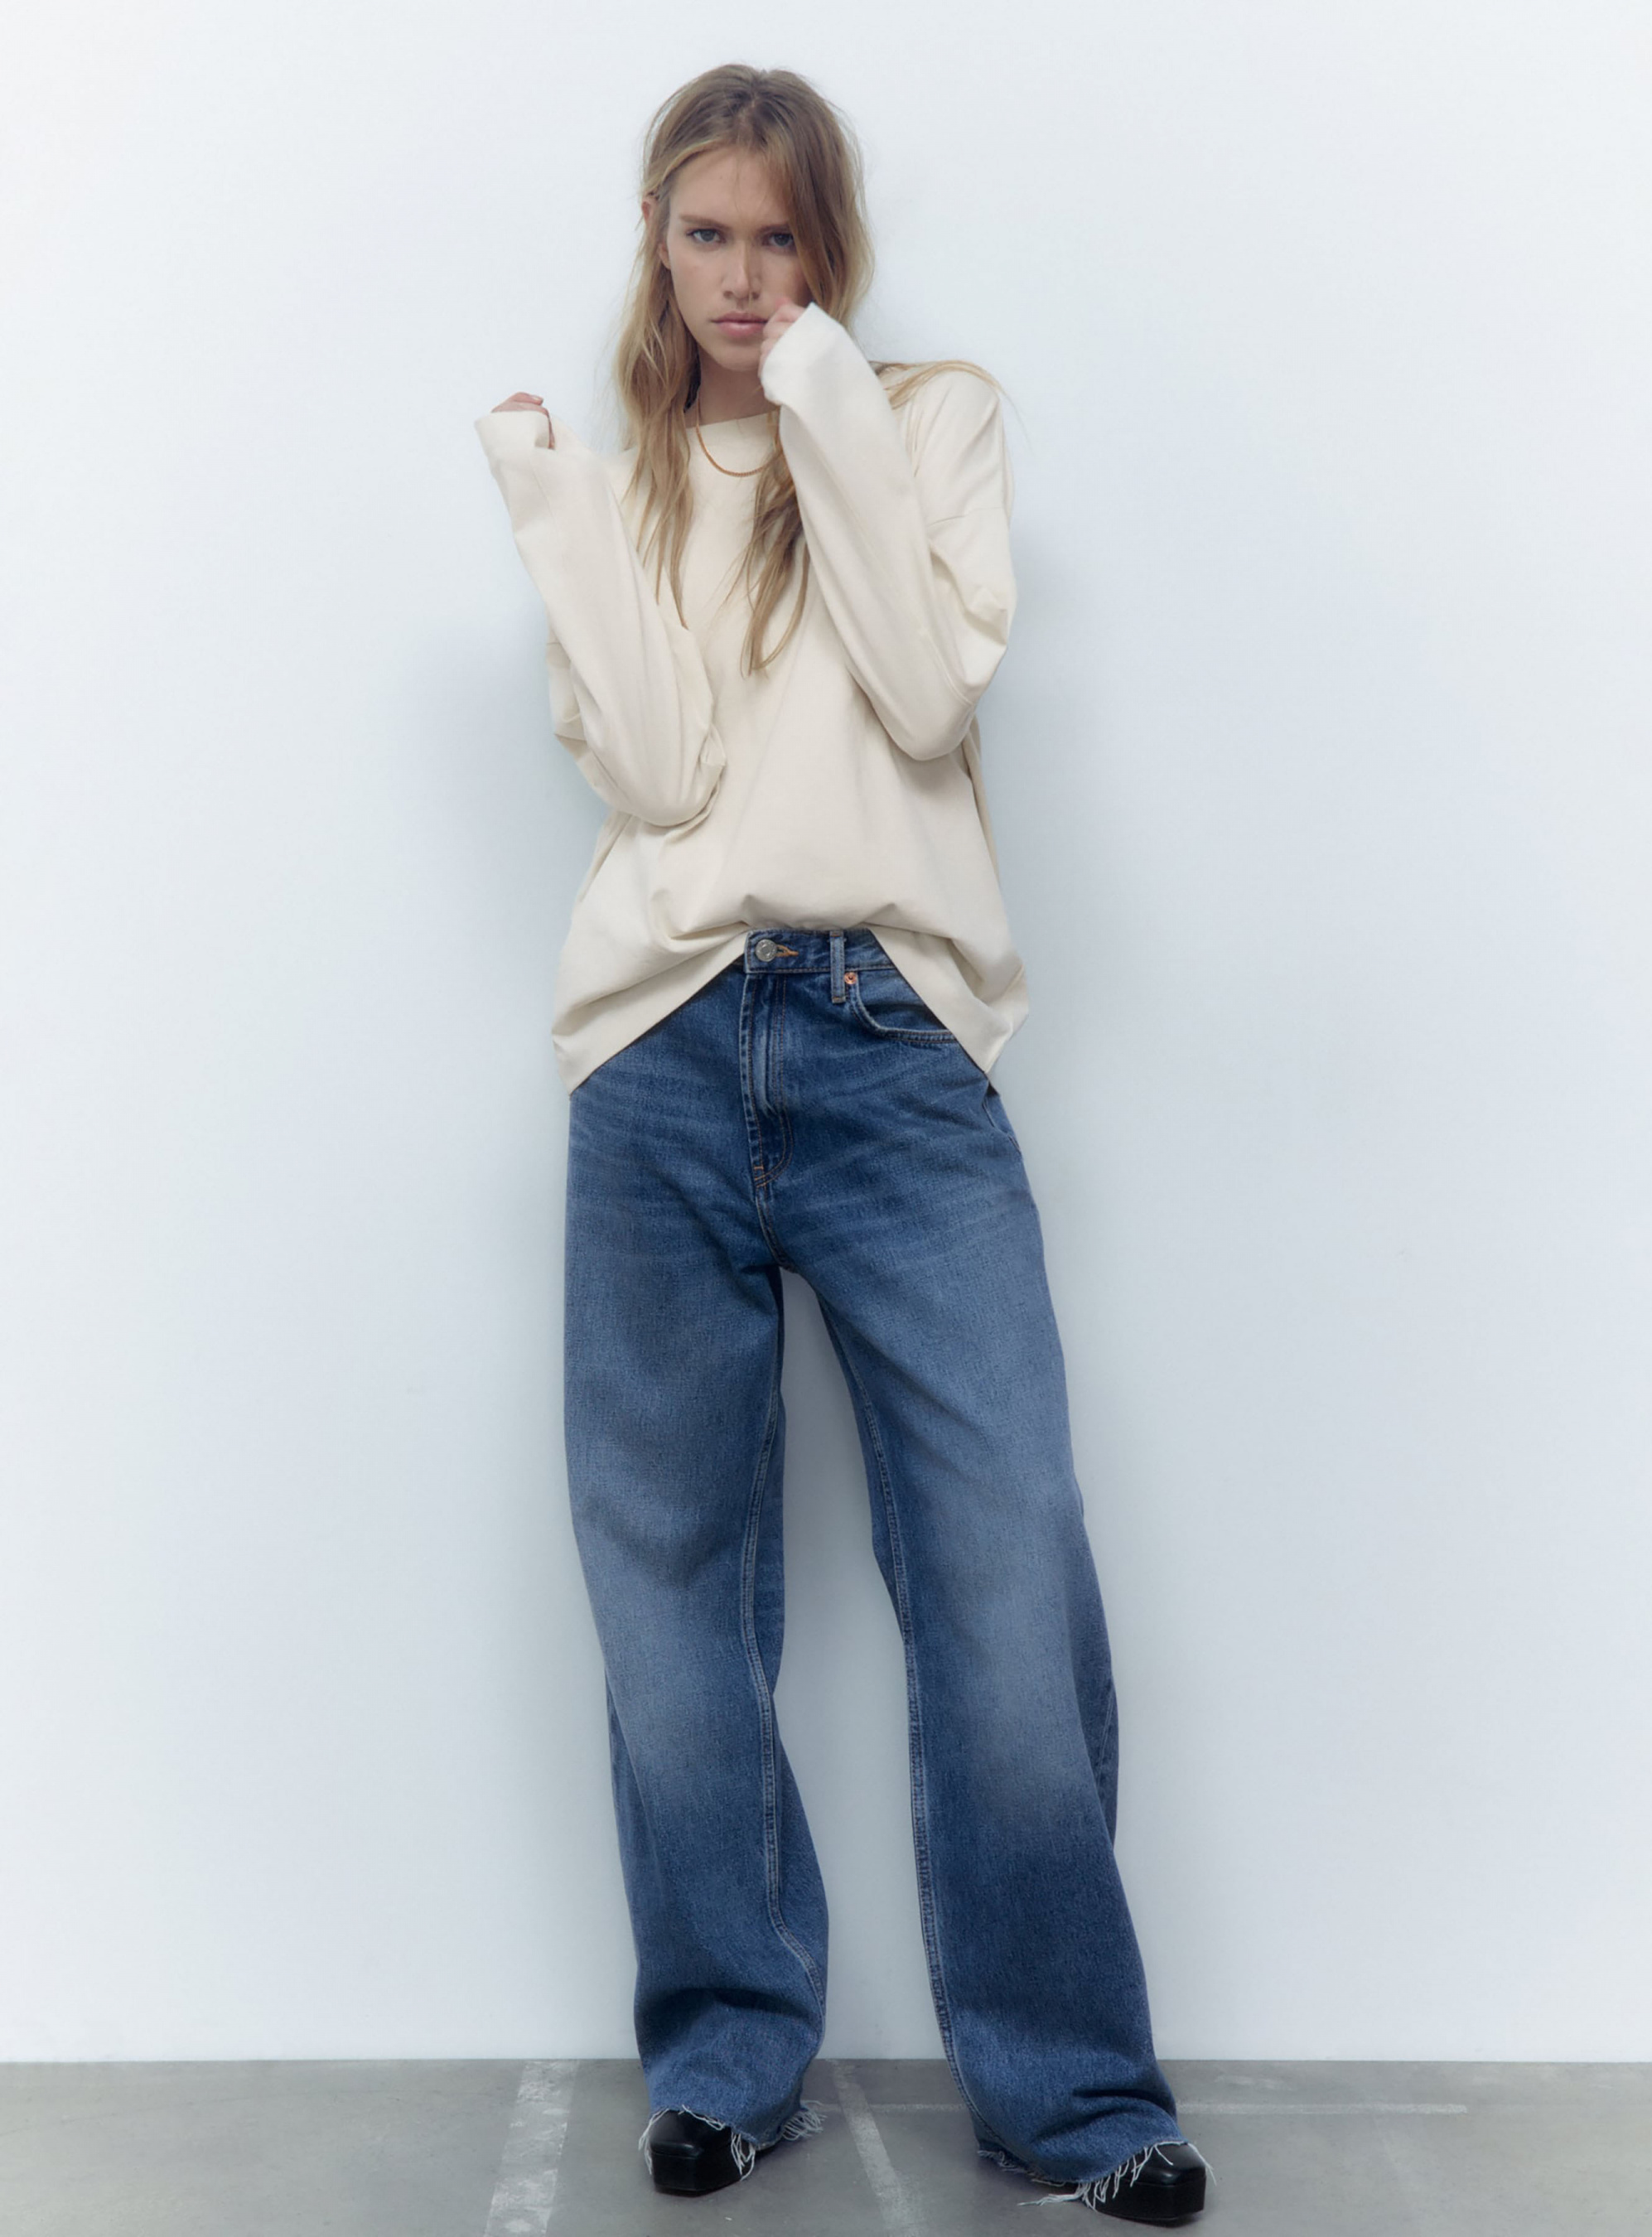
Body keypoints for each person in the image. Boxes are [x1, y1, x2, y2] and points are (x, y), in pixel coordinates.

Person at [474, 61, 1211, 2228]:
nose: (741, 277)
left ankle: (1074, 2101)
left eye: (779, 237)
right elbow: (654, 771)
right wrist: (551, 503)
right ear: (655, 242)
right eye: (705, 235)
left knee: (1003, 1562)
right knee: (669, 1597)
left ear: (831, 248)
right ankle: (726, 2065)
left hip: (894, 1048)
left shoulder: (924, 421)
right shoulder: (632, 480)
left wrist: (819, 401)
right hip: (661, 1046)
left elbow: (921, 691)